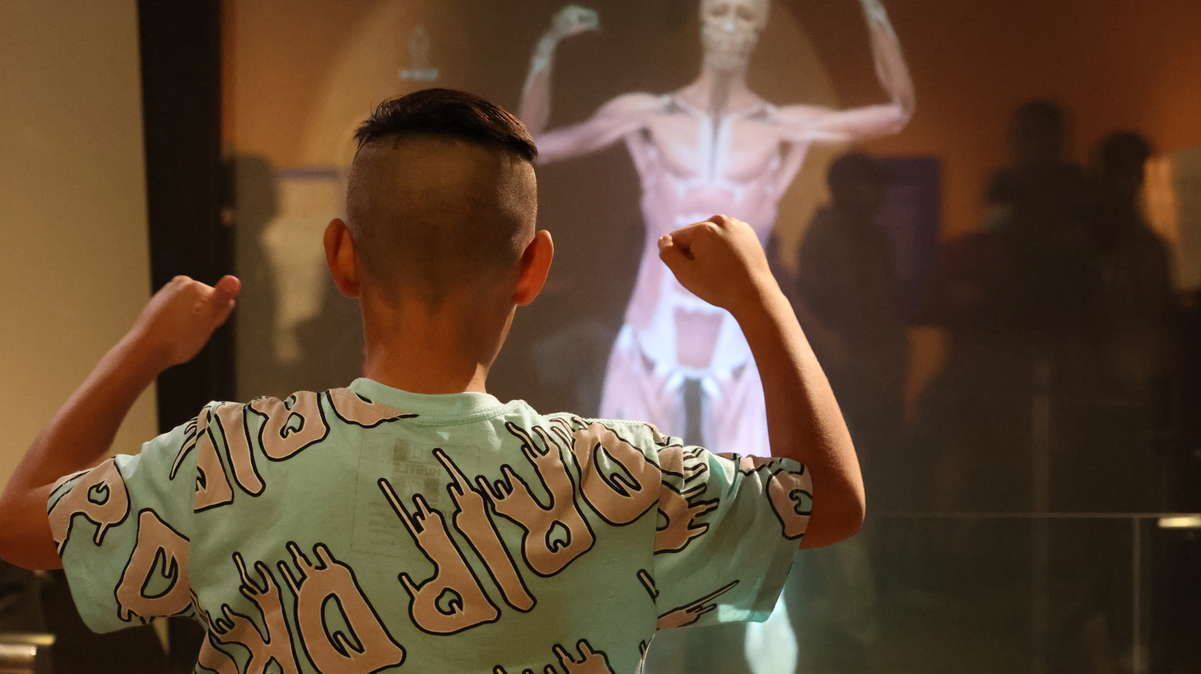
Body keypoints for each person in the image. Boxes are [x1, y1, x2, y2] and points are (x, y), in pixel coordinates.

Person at [0, 89, 862, 673]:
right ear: (533, 268)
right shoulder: (620, 479)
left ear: (341, 256)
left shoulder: (226, 461)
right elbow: (825, 502)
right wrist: (755, 295)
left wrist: (145, 349)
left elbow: (23, 522)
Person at [520, 0, 913, 458]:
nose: (729, 27)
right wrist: (545, 50)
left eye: (744, 16)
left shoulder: (783, 125)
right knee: (624, 500)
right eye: (718, 13)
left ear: (759, 28)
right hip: (651, 336)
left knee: (753, 508)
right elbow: (533, 144)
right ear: (703, 22)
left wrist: (875, 12)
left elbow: (898, 111)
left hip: (737, 348)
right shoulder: (648, 114)